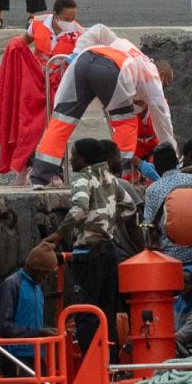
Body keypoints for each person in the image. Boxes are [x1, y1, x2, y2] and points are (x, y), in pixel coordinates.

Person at [29, 24, 175, 187]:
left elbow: (99, 29)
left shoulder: (129, 48)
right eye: (165, 85)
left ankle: (39, 177)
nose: (163, 89)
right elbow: (163, 122)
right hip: (110, 71)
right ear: (161, 75)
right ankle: (115, 177)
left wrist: (78, 50)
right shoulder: (153, 75)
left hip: (83, 60)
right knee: (126, 124)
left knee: (61, 121)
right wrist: (174, 158)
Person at [58, 138, 136, 360]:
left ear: (83, 159)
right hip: (109, 253)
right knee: (106, 312)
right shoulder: (111, 179)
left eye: (73, 155)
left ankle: (90, 366)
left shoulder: (82, 178)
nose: (70, 159)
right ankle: (110, 364)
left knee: (85, 313)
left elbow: (80, 209)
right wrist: (107, 221)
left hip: (88, 254)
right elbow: (129, 207)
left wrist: (57, 235)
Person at [0, 237, 58, 377]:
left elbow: (32, 321)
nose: (46, 277)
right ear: (36, 268)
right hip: (16, 356)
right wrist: (38, 332)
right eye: (45, 273)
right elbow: (3, 325)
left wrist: (48, 330)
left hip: (37, 354)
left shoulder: (37, 288)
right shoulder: (12, 285)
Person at [142, 143, 192, 266]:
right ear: (177, 161)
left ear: (156, 166)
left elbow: (147, 225)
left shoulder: (152, 190)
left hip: (169, 256)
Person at [102, 140, 145, 261]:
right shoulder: (122, 185)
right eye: (118, 156)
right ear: (109, 161)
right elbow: (136, 222)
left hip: (101, 255)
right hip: (125, 255)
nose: (121, 160)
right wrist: (143, 252)